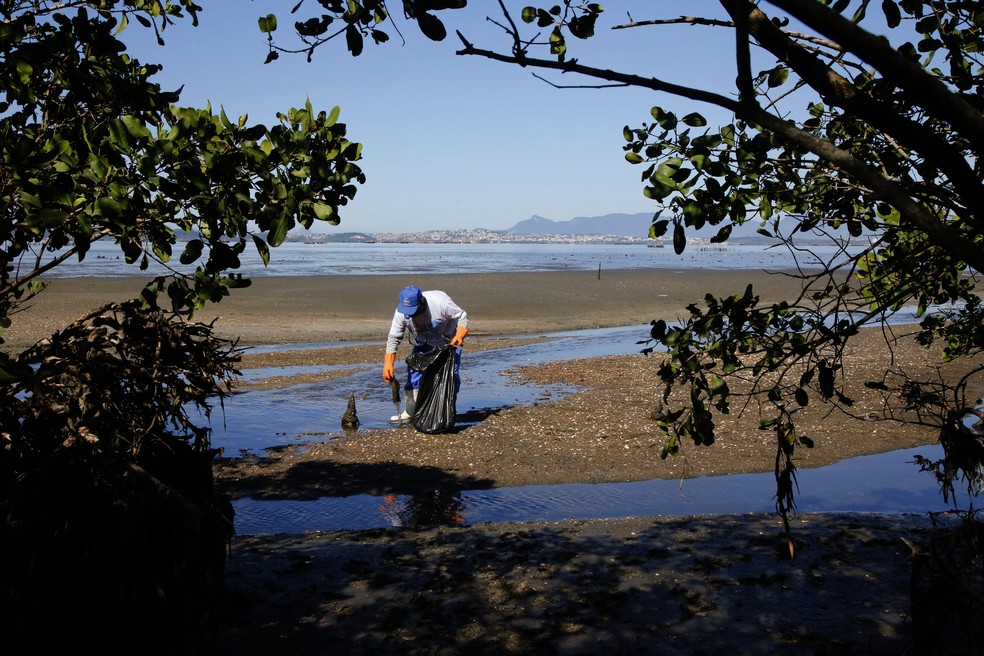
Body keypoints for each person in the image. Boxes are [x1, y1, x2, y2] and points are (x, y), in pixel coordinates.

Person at [382, 285, 469, 422]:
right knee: (413, 372)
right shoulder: (401, 312)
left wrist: (460, 335)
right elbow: (394, 338)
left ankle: (447, 409)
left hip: (449, 342)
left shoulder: (440, 302)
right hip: (423, 342)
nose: (411, 315)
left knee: (451, 375)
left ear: (422, 302)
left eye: (414, 311)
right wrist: (388, 365)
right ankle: (412, 410)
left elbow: (462, 316)